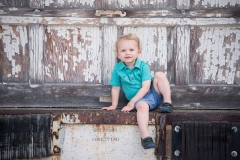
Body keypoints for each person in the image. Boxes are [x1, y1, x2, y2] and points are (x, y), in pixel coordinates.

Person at [101, 33, 173, 149]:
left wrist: (131, 102)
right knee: (142, 106)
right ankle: (145, 137)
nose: (128, 53)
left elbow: (145, 87)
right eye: (123, 50)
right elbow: (115, 87)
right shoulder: (118, 69)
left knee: (159, 75)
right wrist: (114, 105)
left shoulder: (143, 66)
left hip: (152, 94)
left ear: (139, 52)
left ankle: (168, 103)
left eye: (131, 50)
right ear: (118, 54)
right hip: (140, 101)